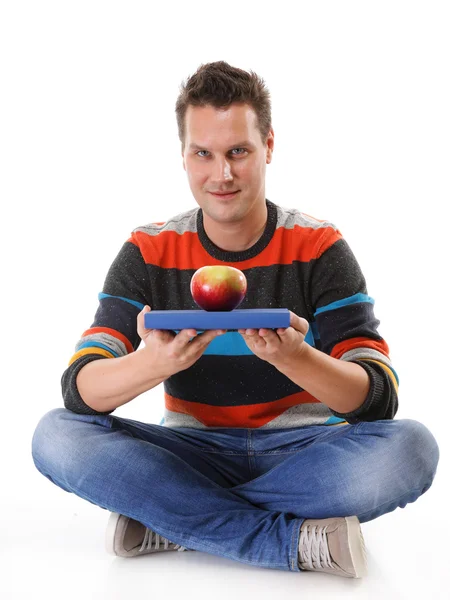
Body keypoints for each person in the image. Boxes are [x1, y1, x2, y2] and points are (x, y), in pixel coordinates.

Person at [31, 61, 439, 578]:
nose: (220, 174)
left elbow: (378, 398)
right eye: (203, 153)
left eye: (237, 152)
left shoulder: (319, 247)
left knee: (412, 447)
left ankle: (173, 520)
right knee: (56, 435)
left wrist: (298, 358)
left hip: (306, 452)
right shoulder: (148, 250)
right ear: (183, 156)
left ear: (268, 146)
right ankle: (286, 543)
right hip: (190, 449)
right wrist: (152, 364)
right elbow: (80, 389)